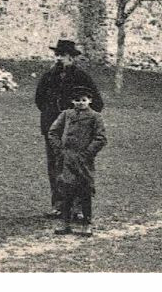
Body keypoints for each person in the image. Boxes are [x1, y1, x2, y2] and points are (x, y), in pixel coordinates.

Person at [34, 38, 103, 216]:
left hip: (78, 135)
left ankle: (79, 208)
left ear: (72, 58)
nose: (58, 58)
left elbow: (98, 103)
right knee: (55, 167)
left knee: (78, 168)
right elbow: (39, 100)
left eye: (62, 55)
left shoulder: (81, 77)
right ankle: (59, 206)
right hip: (54, 131)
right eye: (56, 55)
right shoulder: (48, 76)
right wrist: (53, 119)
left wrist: (82, 122)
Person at [48, 87, 108, 235]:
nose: (80, 103)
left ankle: (87, 223)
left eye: (83, 100)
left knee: (85, 190)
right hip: (67, 159)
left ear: (90, 101)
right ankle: (65, 223)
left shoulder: (95, 117)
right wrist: (59, 150)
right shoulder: (66, 114)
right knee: (66, 190)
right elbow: (53, 132)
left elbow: (100, 138)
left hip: (84, 160)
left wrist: (88, 153)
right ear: (72, 101)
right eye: (77, 100)